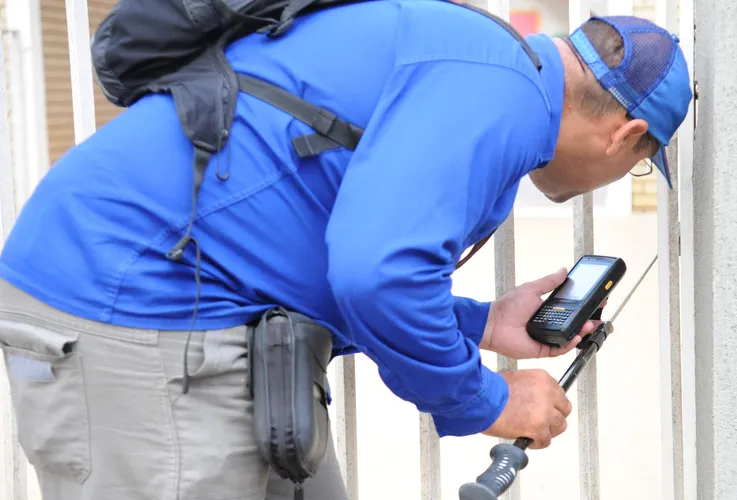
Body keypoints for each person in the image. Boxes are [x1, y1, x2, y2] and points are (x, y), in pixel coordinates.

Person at [0, 1, 691, 499]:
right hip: (125, 300)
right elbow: (375, 278)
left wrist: (480, 322)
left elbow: (340, 254)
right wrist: (487, 399)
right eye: (637, 163)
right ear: (625, 135)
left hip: (192, 302)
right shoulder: (499, 94)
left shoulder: (487, 69)